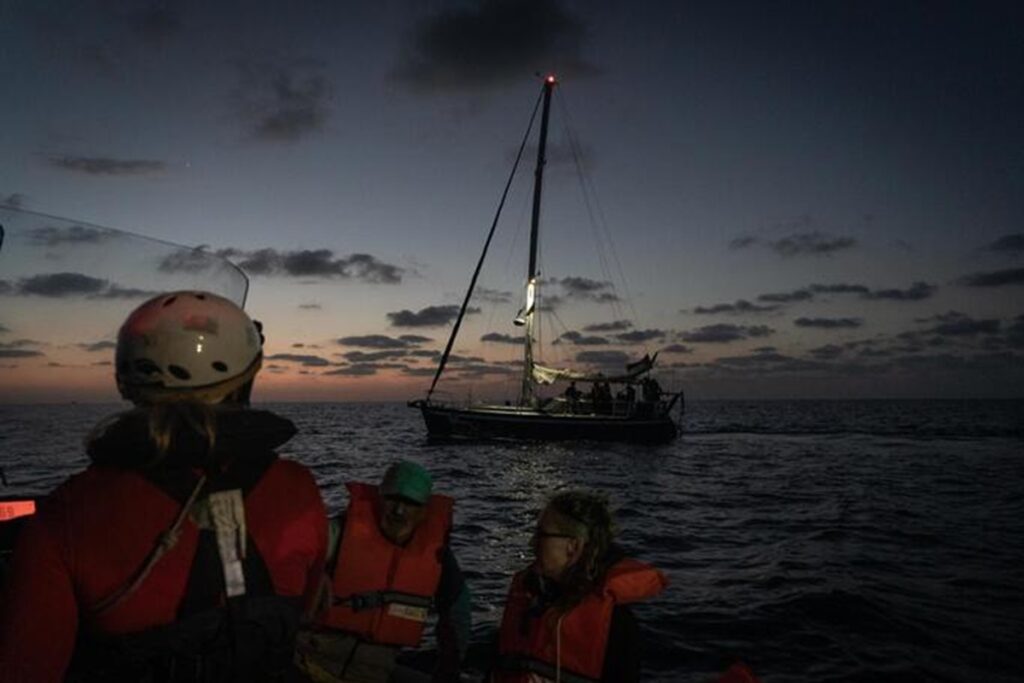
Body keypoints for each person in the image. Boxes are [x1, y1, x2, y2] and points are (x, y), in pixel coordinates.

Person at [0, 290, 328, 682]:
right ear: (246, 377)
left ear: (126, 382)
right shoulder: (298, 487)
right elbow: (309, 605)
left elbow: (24, 666)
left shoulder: (71, 512)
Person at [296, 461, 470, 683]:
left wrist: (449, 668)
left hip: (370, 673)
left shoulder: (438, 557)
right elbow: (290, 558)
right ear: (380, 499)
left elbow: (458, 611)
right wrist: (315, 573)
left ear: (424, 511)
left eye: (410, 503)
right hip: (309, 662)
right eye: (392, 499)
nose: (399, 510)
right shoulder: (339, 532)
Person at [492, 491, 667, 683]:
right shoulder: (529, 598)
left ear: (573, 546)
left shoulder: (616, 624)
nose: (532, 542)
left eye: (542, 535)